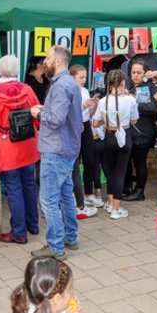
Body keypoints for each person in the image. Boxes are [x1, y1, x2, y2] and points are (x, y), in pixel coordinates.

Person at [0, 55, 40, 245]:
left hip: (6, 147)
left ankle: (19, 232)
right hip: (28, 144)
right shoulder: (27, 90)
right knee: (29, 183)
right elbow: (38, 116)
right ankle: (32, 224)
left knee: (14, 188)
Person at [30, 45, 83, 261]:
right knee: (65, 195)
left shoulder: (62, 85)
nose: (45, 61)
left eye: (48, 57)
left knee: (49, 199)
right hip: (67, 147)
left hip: (56, 148)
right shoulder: (69, 83)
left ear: (58, 61)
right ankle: (70, 237)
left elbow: (56, 119)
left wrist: (38, 113)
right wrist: (46, 110)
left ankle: (55, 246)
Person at [91, 70, 137, 219]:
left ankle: (110, 203)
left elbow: (95, 122)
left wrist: (107, 119)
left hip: (109, 136)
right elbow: (134, 120)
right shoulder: (130, 100)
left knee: (110, 171)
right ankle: (116, 209)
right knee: (120, 172)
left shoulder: (103, 101)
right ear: (123, 82)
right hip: (124, 136)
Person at [125, 60, 157, 202]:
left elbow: (155, 109)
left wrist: (136, 103)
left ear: (145, 73)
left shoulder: (151, 88)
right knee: (127, 161)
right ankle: (127, 188)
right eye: (133, 72)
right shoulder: (129, 86)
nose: (136, 75)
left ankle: (140, 191)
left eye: (139, 73)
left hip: (143, 133)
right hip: (129, 132)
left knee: (140, 163)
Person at [69, 65, 101, 214]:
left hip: (86, 125)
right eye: (81, 77)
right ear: (72, 77)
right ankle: (76, 197)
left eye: (85, 77)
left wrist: (94, 105)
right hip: (74, 128)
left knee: (89, 160)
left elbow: (90, 113)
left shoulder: (85, 91)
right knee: (74, 163)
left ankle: (88, 194)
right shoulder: (69, 91)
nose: (84, 80)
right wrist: (84, 105)